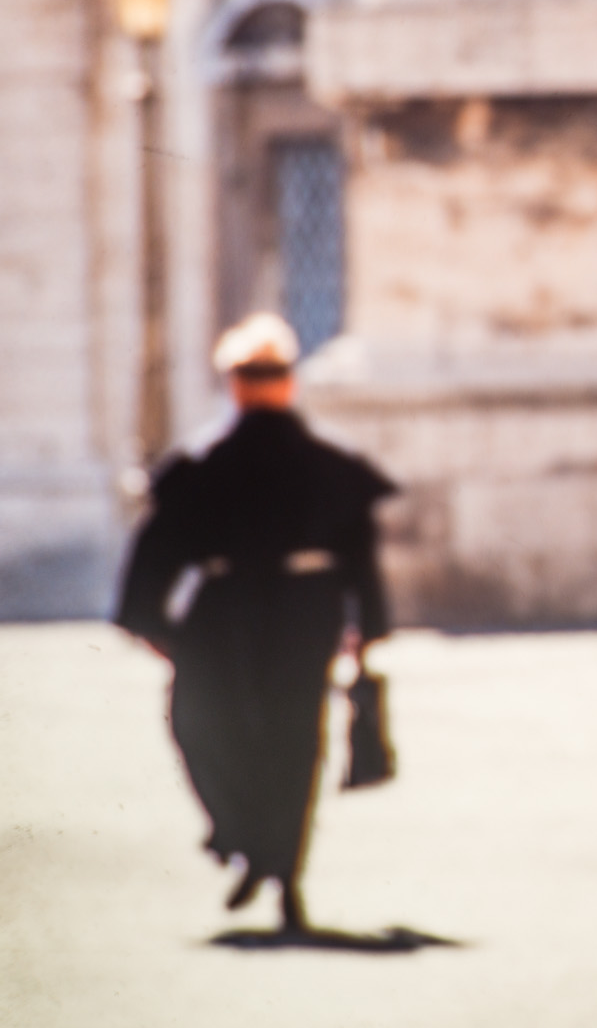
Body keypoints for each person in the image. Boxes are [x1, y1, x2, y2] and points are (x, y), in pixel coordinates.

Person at [116, 313, 396, 932]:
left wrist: (154, 627)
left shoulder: (205, 466)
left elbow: (154, 557)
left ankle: (256, 847)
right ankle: (271, 856)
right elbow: (360, 557)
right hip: (294, 609)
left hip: (236, 612)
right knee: (288, 739)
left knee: (220, 727)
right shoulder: (322, 465)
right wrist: (366, 626)